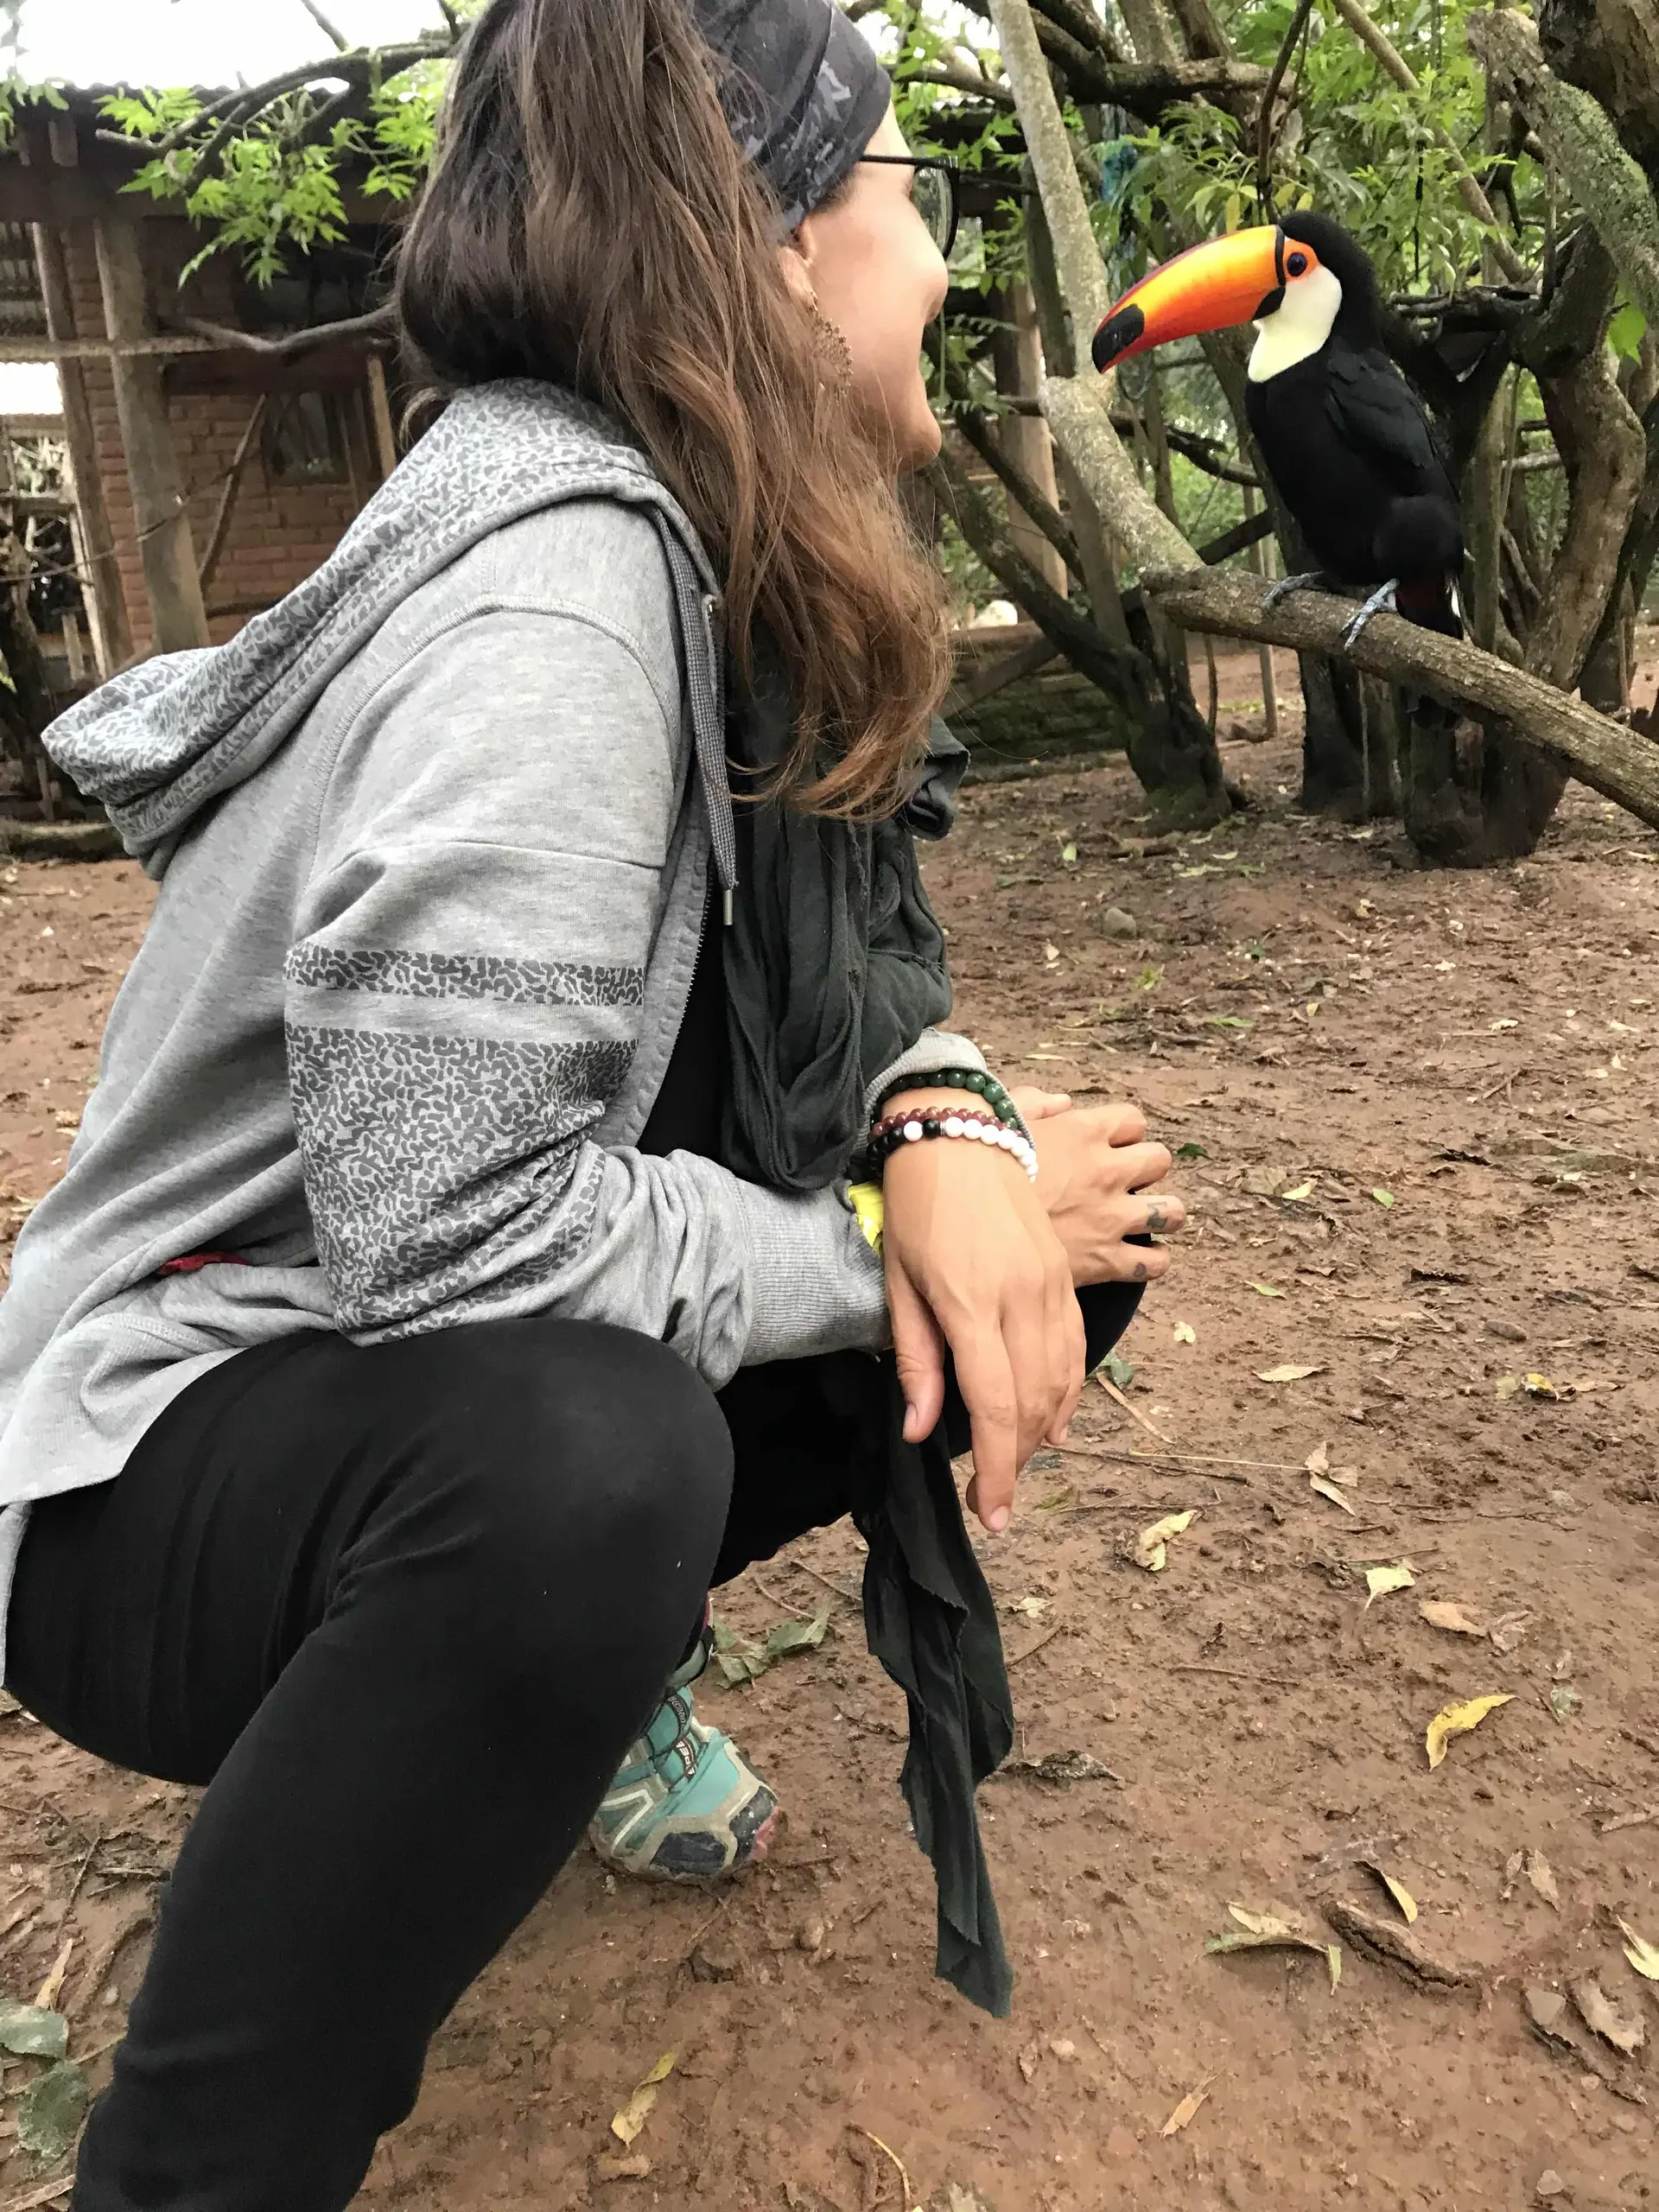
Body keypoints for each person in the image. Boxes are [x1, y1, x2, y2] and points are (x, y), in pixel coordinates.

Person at [0, 1, 1185, 2203]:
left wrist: (949, 1132)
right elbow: (445, 1230)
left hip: (364, 1368)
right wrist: (860, 1242)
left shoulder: (711, 543)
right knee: (587, 1467)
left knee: (1051, 1241)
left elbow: (833, 985)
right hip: (142, 1470)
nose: (945, 260)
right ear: (784, 249)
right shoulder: (562, 594)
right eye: (912, 193)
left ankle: (550, 1682)